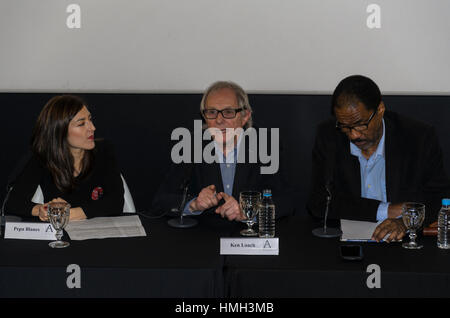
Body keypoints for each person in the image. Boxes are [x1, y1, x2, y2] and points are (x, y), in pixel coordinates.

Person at [307, 75, 450, 242]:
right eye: (345, 127)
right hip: (348, 244)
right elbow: (319, 202)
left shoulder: (418, 138)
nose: (354, 135)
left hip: (402, 246)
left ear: (380, 110)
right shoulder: (329, 137)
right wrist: (385, 210)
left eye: (361, 124)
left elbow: (440, 199)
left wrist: (404, 222)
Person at [153, 81, 293, 221]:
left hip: (250, 237)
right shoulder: (191, 145)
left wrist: (248, 211)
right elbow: (162, 200)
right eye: (212, 112)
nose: (219, 120)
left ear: (245, 116)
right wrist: (194, 204)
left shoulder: (265, 145)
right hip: (203, 236)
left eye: (228, 112)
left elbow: (286, 202)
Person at [6, 95, 124, 221]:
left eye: (90, 119)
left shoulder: (104, 150)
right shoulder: (42, 158)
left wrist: (68, 213)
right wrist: (43, 210)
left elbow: (116, 202)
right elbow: (13, 204)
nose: (92, 128)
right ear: (60, 131)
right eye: (81, 124)